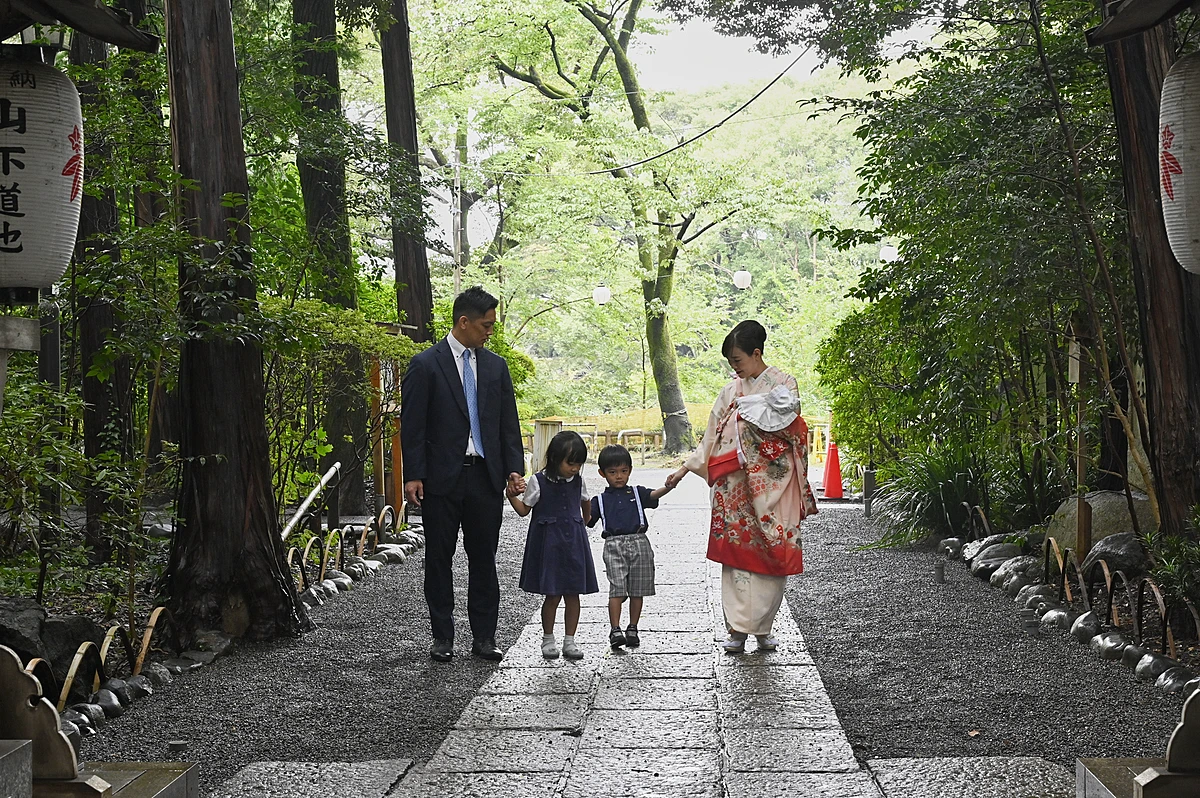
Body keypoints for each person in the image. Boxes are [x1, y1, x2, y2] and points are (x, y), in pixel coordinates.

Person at [666, 320, 818, 653]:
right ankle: (736, 629)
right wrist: (683, 470)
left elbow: (792, 433)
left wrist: (756, 441)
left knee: (773, 552)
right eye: (731, 362)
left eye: (738, 360)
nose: (735, 368)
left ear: (756, 353)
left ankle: (763, 628)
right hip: (734, 487)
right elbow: (711, 437)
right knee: (736, 557)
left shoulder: (783, 385)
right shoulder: (730, 391)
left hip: (773, 484)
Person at [400, 286, 526, 663]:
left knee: (484, 558)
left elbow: (508, 424)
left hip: (485, 476)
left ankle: (484, 638)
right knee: (439, 557)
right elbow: (413, 426)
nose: (490, 332)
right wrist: (413, 474)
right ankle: (443, 637)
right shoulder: (425, 364)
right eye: (485, 325)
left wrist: (513, 470)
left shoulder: (495, 367)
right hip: (441, 479)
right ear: (463, 322)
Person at [508, 431, 599, 660]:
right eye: (571, 463)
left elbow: (585, 501)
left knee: (573, 593)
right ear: (556, 458)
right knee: (552, 594)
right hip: (549, 544)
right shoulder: (538, 481)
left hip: (573, 542)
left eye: (579, 464)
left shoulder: (578, 481)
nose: (575, 468)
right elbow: (523, 510)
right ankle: (548, 638)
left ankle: (570, 640)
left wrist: (585, 521)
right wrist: (511, 497)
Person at [587, 444, 675, 649]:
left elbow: (653, 496)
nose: (619, 476)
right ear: (602, 473)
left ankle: (633, 627)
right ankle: (615, 629)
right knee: (616, 588)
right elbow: (587, 520)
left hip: (639, 542)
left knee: (638, 589)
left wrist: (669, 486)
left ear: (630, 470)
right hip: (613, 545)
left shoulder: (637, 492)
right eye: (613, 472)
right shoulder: (598, 500)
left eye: (624, 471)